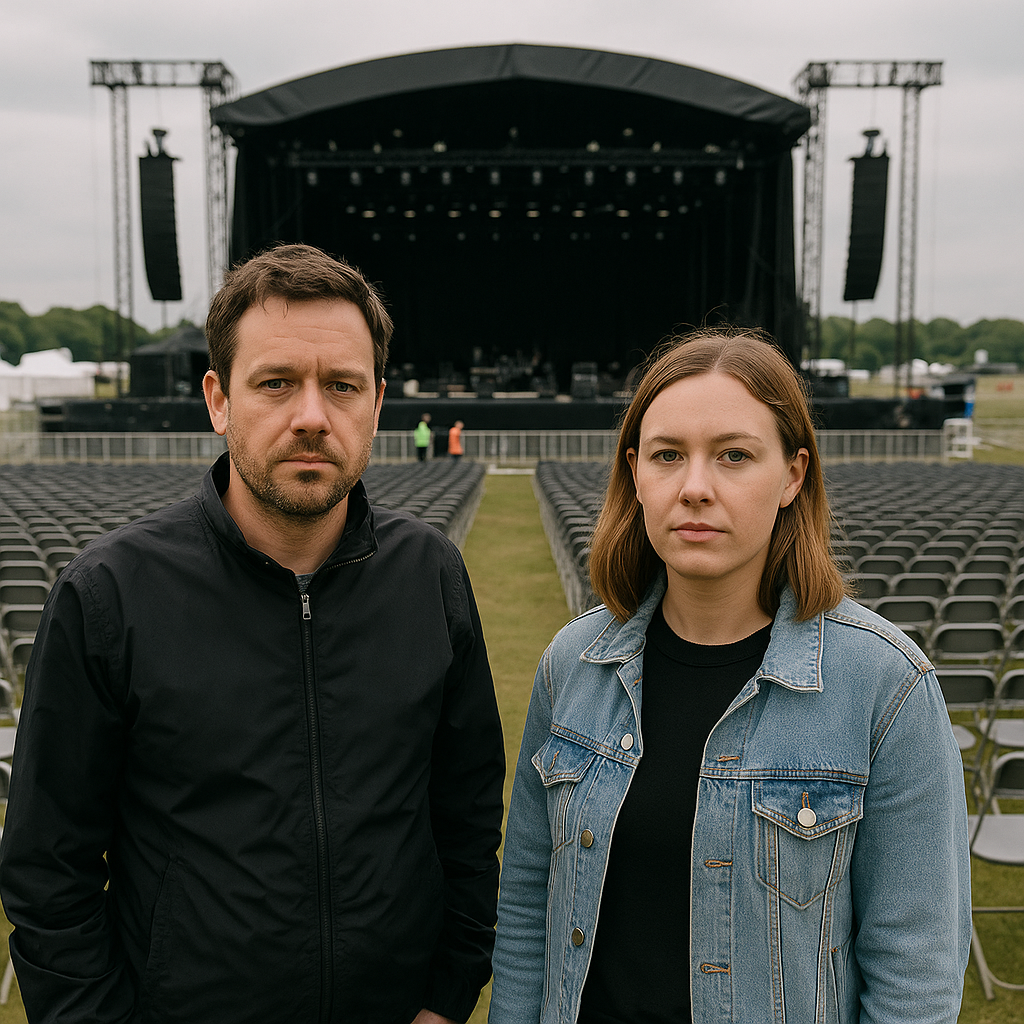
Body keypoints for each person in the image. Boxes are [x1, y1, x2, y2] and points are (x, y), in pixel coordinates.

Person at [0, 243, 505, 1024]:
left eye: (341, 385)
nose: (311, 415)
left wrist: (445, 999)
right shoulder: (109, 594)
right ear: (218, 399)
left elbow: (467, 822)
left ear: (377, 404)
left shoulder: (431, 576)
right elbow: (47, 871)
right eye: (276, 383)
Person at [489, 329, 970, 1024]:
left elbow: (915, 976)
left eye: (734, 456)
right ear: (635, 473)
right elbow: (530, 908)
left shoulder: (886, 687)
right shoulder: (572, 664)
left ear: (793, 474)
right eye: (667, 456)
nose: (694, 488)